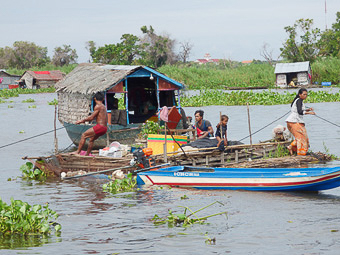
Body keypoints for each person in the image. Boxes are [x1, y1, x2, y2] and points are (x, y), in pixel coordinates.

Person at [285, 88, 315, 156]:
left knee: (303, 137)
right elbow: (300, 112)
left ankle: (290, 147)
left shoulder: (299, 101)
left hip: (293, 121)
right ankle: (300, 155)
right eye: (304, 94)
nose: (305, 96)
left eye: (306, 94)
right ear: (299, 94)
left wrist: (308, 110)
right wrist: (310, 113)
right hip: (294, 122)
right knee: (301, 139)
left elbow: (300, 110)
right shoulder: (299, 101)